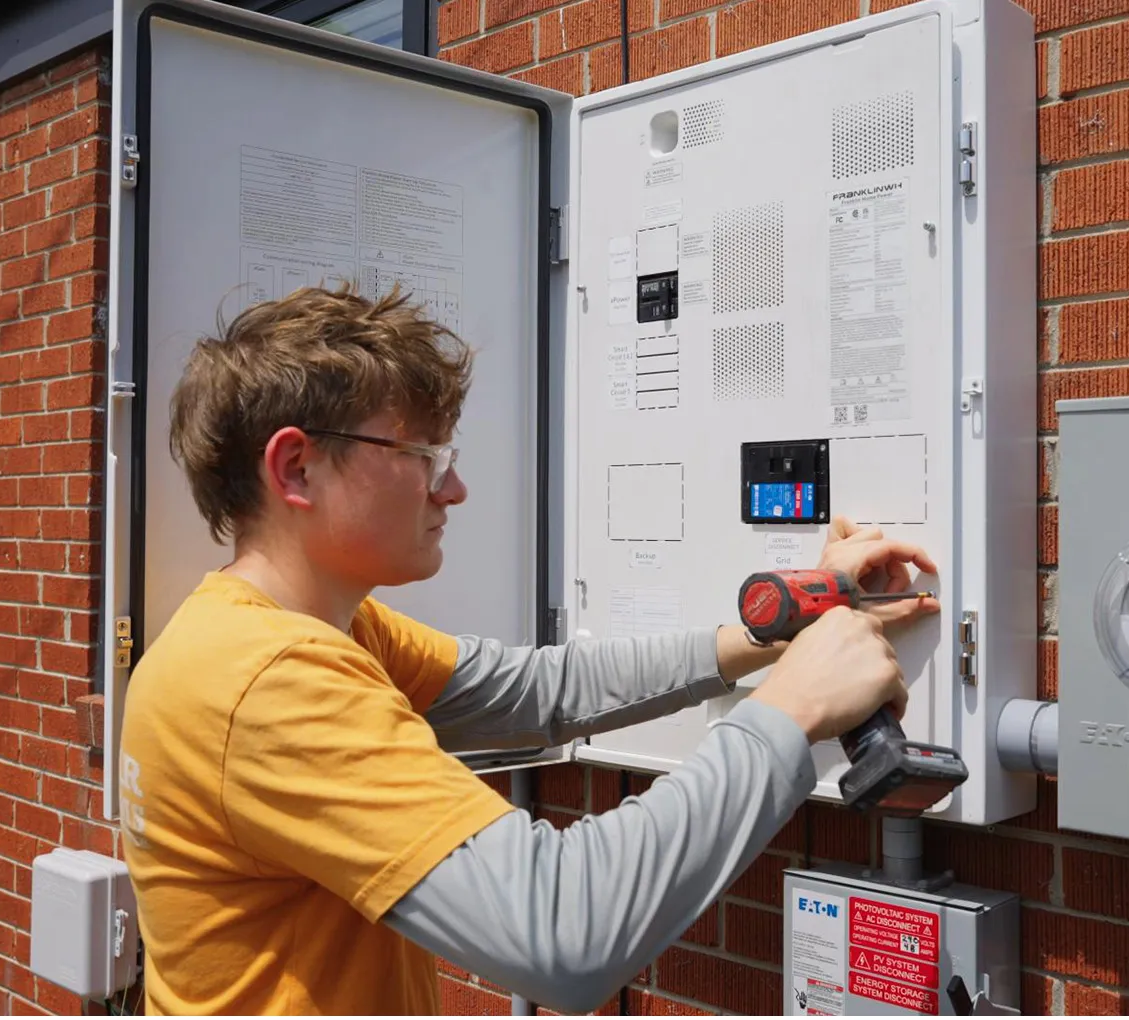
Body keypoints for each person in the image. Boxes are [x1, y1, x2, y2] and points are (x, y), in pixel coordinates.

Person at [116, 284, 943, 1015]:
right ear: (297, 468)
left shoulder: (300, 631)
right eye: (424, 457)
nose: (453, 488)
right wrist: (792, 710)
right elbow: (564, 933)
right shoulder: (268, 680)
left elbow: (543, 692)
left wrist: (777, 631)